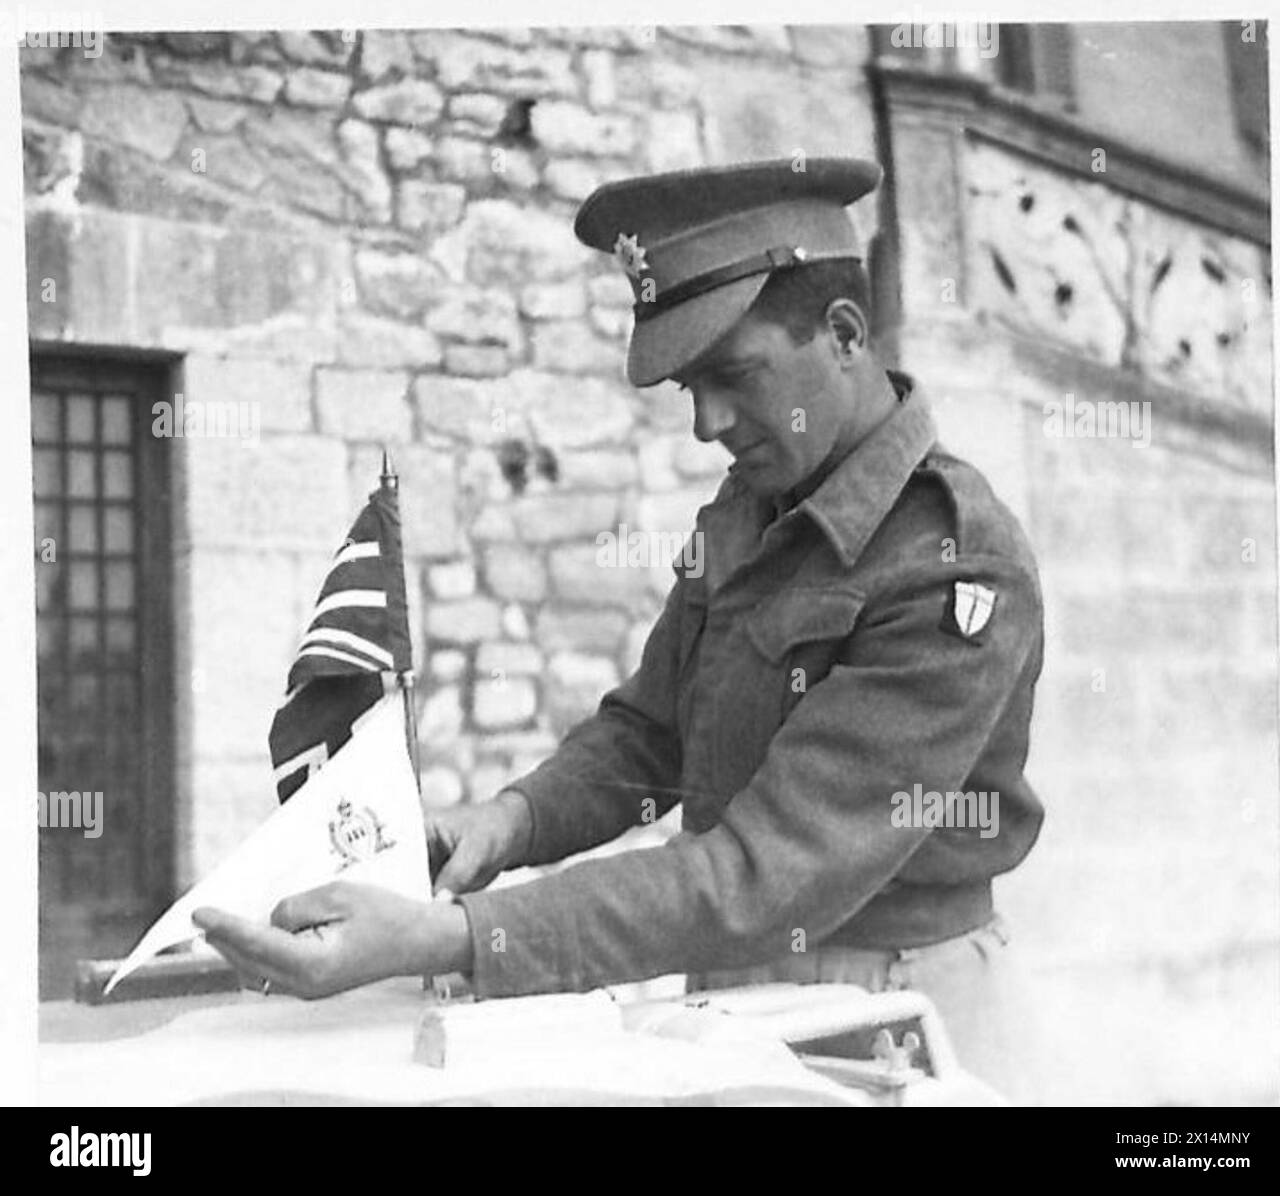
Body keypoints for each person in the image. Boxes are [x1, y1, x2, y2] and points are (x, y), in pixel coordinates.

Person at [196, 157, 1047, 1102]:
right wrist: (510, 821)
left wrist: (459, 935)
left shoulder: (956, 566)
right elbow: (653, 736)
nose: (705, 424)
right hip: (735, 1001)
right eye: (688, 387)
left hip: (890, 1016)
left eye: (734, 377)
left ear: (843, 335)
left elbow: (762, 875)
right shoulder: (754, 506)